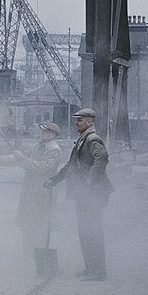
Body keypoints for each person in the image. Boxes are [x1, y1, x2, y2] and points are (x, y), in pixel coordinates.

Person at [46, 108, 112, 281]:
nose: (76, 123)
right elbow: (71, 167)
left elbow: (103, 157)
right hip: (85, 194)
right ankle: (91, 268)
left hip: (93, 194)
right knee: (85, 231)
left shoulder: (92, 139)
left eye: (80, 120)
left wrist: (90, 179)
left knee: (92, 231)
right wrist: (54, 180)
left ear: (89, 122)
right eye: (76, 120)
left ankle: (98, 272)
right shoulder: (82, 140)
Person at [0, 122, 62, 251]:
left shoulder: (54, 150)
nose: (42, 133)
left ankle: (38, 253)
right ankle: (28, 252)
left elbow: (41, 168)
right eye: (42, 131)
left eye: (45, 131)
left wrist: (22, 159)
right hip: (30, 192)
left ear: (52, 134)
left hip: (42, 194)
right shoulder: (38, 146)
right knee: (28, 223)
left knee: (39, 225)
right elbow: (17, 158)